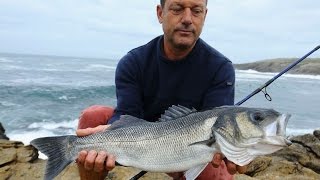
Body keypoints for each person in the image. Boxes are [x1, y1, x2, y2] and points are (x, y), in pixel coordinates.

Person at [76, 0, 247, 179]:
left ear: (205, 15)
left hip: (189, 145)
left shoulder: (220, 68)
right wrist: (109, 137)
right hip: (141, 137)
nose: (187, 19)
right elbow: (126, 113)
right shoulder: (133, 62)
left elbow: (218, 125)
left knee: (213, 162)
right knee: (92, 116)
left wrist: (241, 151)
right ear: (160, 13)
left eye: (196, 11)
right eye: (177, 9)